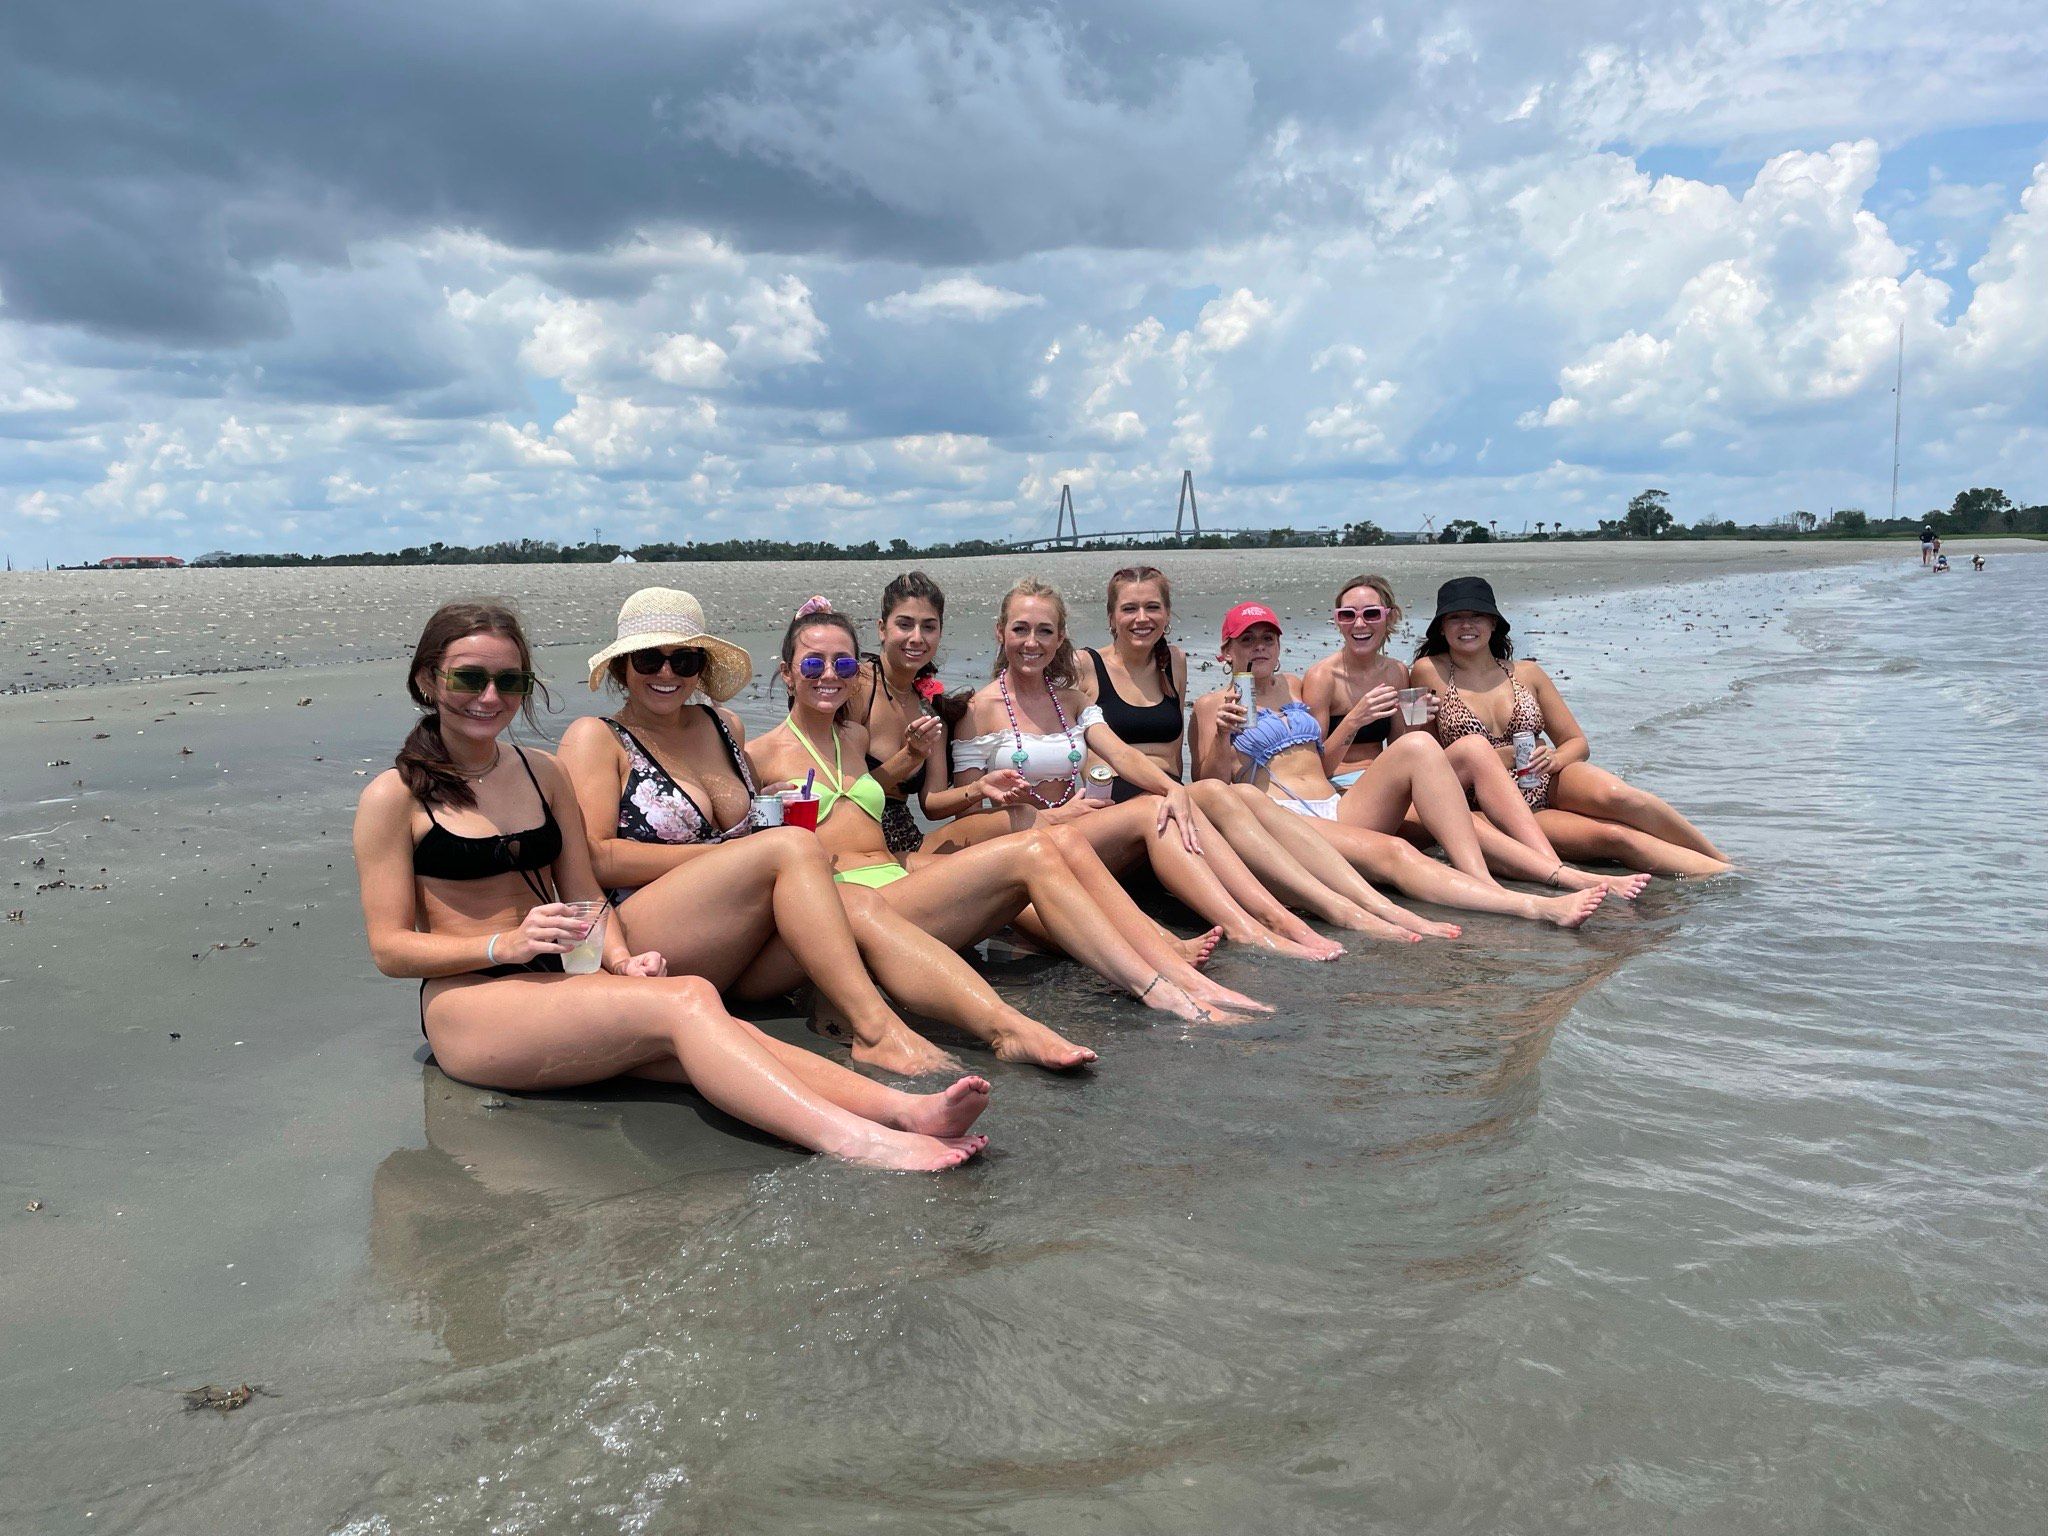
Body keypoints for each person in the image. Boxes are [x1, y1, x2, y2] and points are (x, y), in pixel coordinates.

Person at [351, 600, 989, 1172]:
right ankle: (863, 1142)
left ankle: (902, 1111)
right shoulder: (393, 798)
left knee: (707, 1032)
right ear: (428, 681)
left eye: (509, 680)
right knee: (687, 1001)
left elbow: (586, 892)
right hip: (471, 1006)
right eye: (469, 678)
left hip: (561, 980)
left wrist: (624, 959)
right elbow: (390, 949)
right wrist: (501, 946)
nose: (489, 696)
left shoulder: (541, 774)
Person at [558, 587, 1091, 1075]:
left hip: (749, 924)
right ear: (623, 666)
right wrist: (735, 853)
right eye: (650, 658)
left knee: (856, 906)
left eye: (685, 658)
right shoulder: (596, 737)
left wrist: (758, 844)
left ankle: (1004, 1027)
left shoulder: (723, 726)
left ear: (701, 667)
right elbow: (598, 859)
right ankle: (877, 1028)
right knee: (796, 848)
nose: (667, 672)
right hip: (657, 926)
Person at [747, 600, 1271, 1024]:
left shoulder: (852, 736)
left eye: (842, 664)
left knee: (1052, 845)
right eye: (813, 665)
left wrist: (914, 758)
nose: (830, 676)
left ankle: (1164, 956)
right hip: (855, 895)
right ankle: (1159, 983)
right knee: (1031, 848)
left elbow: (865, 795)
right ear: (788, 675)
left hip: (897, 864)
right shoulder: (761, 753)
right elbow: (754, 853)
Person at [1075, 566, 1464, 943]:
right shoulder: (1087, 666)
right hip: (1122, 800)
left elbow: (1176, 750)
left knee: (1418, 813)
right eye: (1129, 608)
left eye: (1152, 607)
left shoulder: (1174, 662)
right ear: (1111, 616)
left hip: (1176, 796)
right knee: (1386, 850)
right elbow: (1208, 779)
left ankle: (1491, 886)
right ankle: (1301, 918)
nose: (1142, 618)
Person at [1191, 601, 1608, 928]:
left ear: (1279, 647)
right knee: (1397, 850)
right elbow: (1210, 787)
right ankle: (1529, 907)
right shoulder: (1212, 706)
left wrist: (1412, 716)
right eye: (1246, 641)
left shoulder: (1296, 686)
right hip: (1283, 817)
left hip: (1337, 806)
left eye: (1267, 638)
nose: (1259, 647)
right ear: (1225, 652)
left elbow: (1319, 761)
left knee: (1421, 746)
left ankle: (1484, 878)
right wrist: (1223, 733)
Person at [1303, 574, 1647, 899]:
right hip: (1346, 788)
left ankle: (1545, 868)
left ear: (1389, 617)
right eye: (1347, 614)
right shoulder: (1322, 677)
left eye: (1370, 613)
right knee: (1467, 792)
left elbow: (1405, 746)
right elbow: (1314, 768)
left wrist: (1422, 717)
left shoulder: (1397, 672)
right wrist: (1353, 720)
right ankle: (1550, 871)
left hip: (1389, 784)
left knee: (1464, 787)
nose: (1359, 623)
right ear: (1337, 620)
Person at [1409, 577, 1732, 877]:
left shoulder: (1528, 673)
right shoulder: (1426, 671)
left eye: (1477, 615)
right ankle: (1716, 877)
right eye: (1455, 618)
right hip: (1487, 801)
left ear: (1493, 623)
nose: (1467, 625)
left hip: (1547, 776)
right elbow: (1418, 753)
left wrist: (1556, 760)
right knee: (1615, 837)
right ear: (1441, 627)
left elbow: (1576, 742)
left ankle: (1723, 862)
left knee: (1626, 799)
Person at [842, 571, 982, 856]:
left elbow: (931, 803)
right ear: (882, 629)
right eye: (905, 625)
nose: (917, 638)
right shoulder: (856, 688)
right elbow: (847, 795)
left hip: (907, 840)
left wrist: (982, 788)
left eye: (928, 627)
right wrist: (910, 757)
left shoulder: (929, 706)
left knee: (1014, 824)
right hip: (858, 840)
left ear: (940, 633)